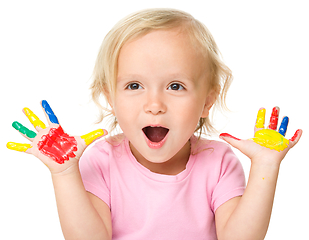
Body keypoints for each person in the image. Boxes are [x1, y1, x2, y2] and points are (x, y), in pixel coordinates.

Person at [7, 8, 302, 240]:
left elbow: (240, 238)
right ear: (110, 97)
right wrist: (65, 173)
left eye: (175, 86)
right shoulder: (102, 159)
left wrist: (265, 166)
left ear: (207, 101)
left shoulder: (219, 161)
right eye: (134, 86)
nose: (154, 105)